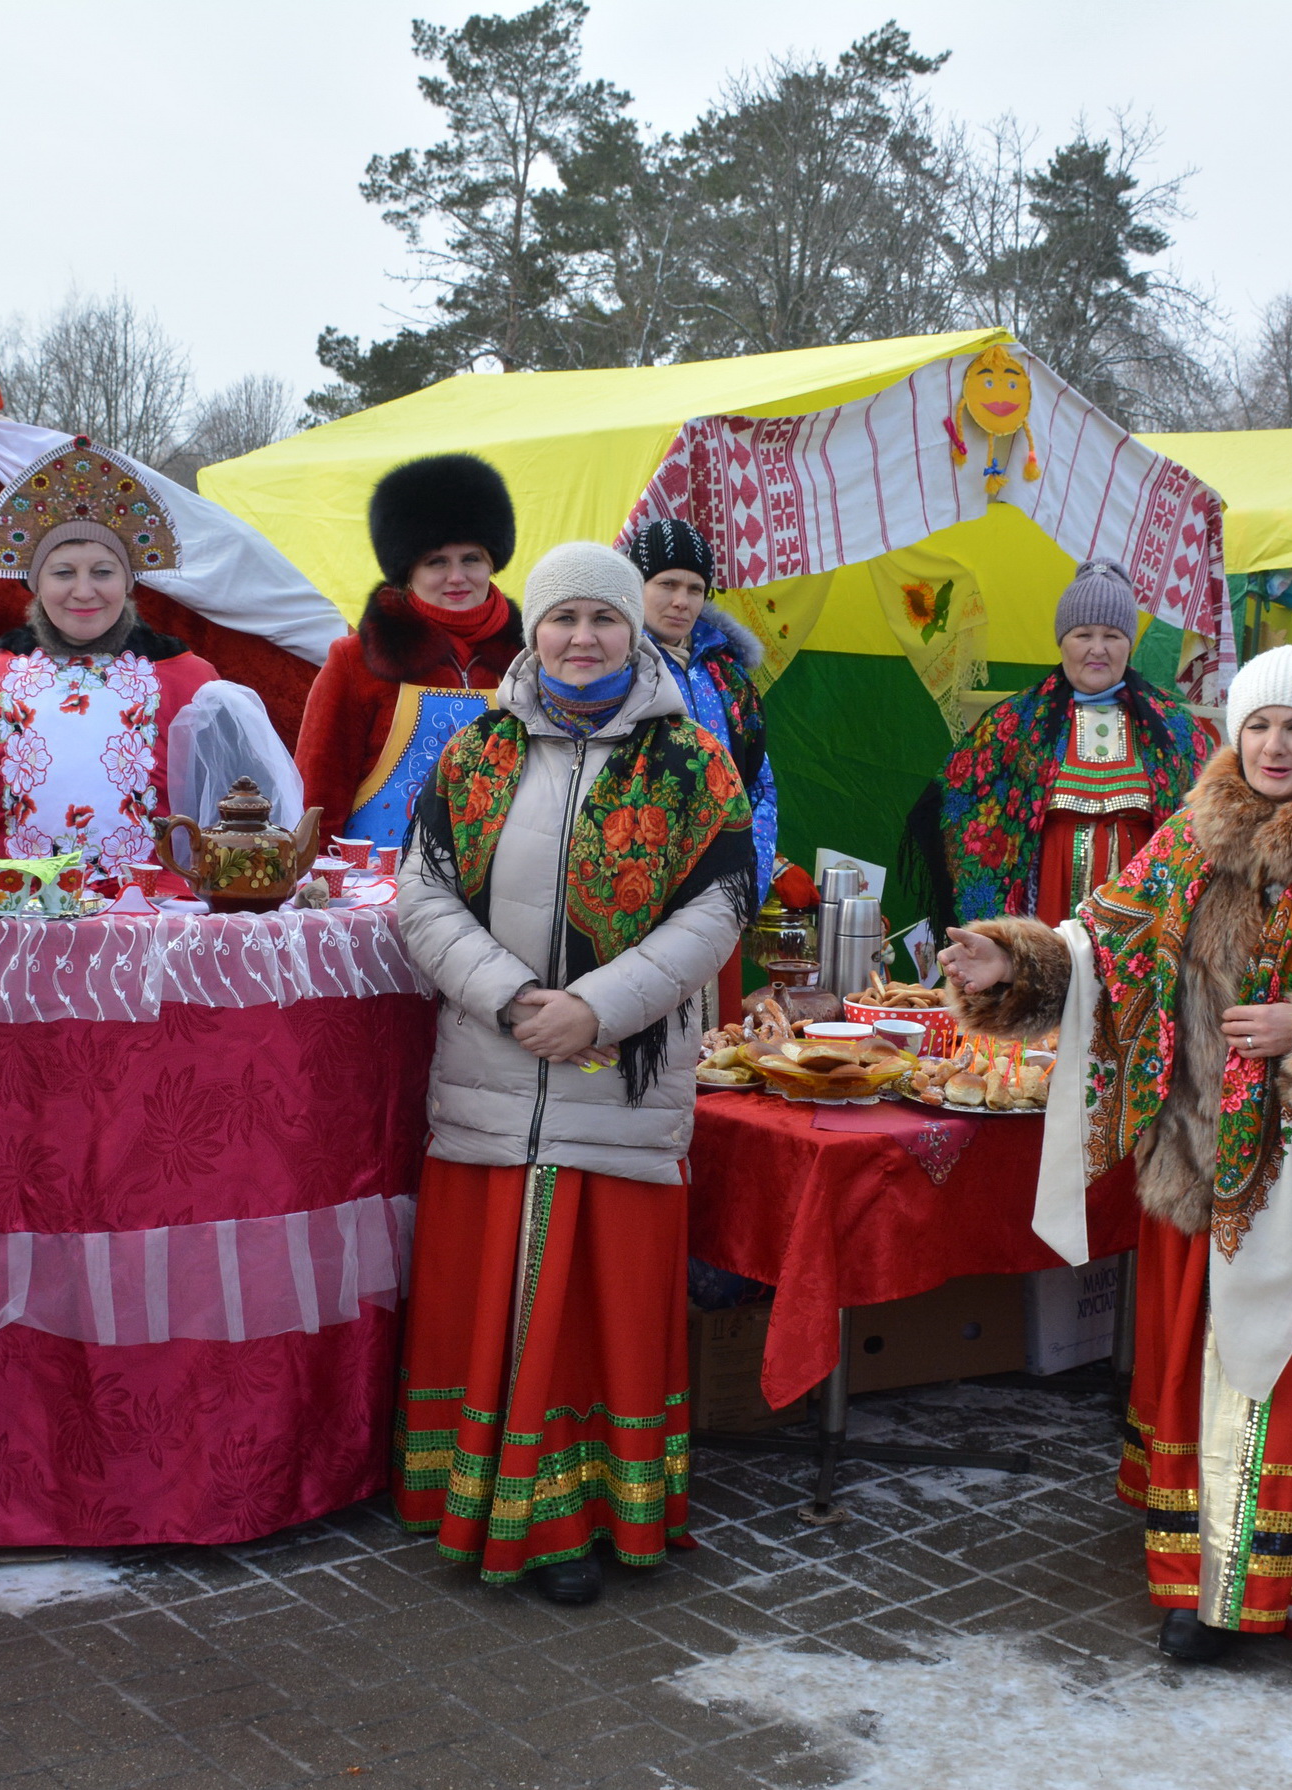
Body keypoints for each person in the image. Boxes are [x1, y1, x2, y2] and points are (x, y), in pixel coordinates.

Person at [938, 645, 1292, 1661]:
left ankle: (1238, 1591)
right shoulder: (1187, 838)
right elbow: (1097, 949)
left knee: (1276, 1375)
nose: (1273, 744)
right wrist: (1011, 960)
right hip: (1196, 1161)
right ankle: (1189, 1561)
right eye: (1256, 723)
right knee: (1197, 1364)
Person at [390, 540, 754, 1607]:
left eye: (602, 619)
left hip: (621, 1088)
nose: (582, 638)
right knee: (493, 1300)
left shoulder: (692, 759)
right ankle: (486, 1506)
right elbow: (421, 895)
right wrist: (511, 996)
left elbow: (720, 908)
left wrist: (598, 1006)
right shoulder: (475, 754)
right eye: (562, 619)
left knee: (597, 1309)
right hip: (492, 1073)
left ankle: (585, 1516)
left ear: (632, 630)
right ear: (531, 630)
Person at [0, 437, 263, 870]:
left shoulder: (189, 680)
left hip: (146, 921)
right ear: (35, 583)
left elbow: (242, 822)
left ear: (128, 582)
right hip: (10, 917)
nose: (83, 591)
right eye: (63, 572)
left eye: (103, 572)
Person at [924, 560, 1204, 925]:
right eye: (1083, 635)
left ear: (1129, 644)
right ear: (1062, 641)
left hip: (1139, 913)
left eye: (1112, 636)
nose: (1098, 649)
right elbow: (961, 805)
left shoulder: (1174, 728)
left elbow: (1197, 832)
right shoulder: (1017, 723)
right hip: (1045, 907)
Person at [293, 453, 526, 847]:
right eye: (436, 562)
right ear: (408, 571)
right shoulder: (355, 662)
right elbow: (316, 799)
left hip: (495, 891)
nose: (457, 577)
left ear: (492, 563)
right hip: (375, 894)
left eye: (471, 559)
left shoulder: (530, 660)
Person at [627, 518, 777, 901]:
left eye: (696, 589)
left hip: (722, 887)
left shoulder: (728, 673)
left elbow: (757, 783)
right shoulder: (615, 665)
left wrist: (748, 880)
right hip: (635, 890)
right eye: (667, 584)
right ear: (635, 585)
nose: (682, 601)